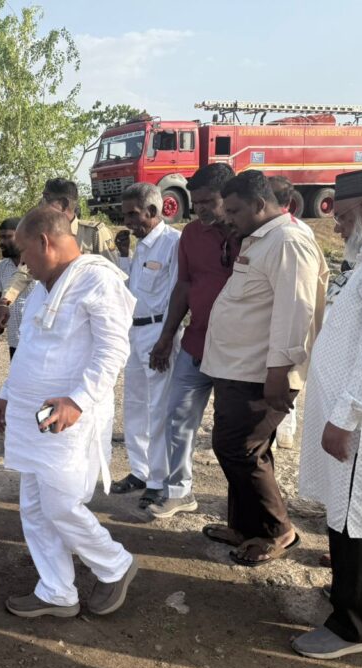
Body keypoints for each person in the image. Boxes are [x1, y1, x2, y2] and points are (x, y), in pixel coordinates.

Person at [0, 206, 139, 619]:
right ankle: (57, 590)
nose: (23, 261)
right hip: (33, 414)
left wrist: (77, 400)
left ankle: (115, 563)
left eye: (25, 251)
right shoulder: (44, 285)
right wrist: (7, 393)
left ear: (45, 242)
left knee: (61, 506)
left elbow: (114, 350)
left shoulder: (97, 278)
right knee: (34, 506)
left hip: (67, 417)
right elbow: (33, 348)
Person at [292, 167, 362, 660]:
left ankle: (349, 626)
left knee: (355, 517)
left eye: (342, 219)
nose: (335, 228)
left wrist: (346, 418)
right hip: (358, 417)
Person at [200, 170, 328, 567]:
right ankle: (244, 525)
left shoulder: (288, 242)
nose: (228, 216)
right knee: (246, 448)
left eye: (235, 210)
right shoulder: (263, 238)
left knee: (239, 449)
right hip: (240, 368)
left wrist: (280, 373)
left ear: (260, 204)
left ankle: (278, 531)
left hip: (261, 372)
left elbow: (296, 313)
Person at [142, 163, 237, 519]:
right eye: (195, 203)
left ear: (229, 198)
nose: (200, 210)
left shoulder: (248, 235)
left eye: (208, 202)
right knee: (177, 417)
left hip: (236, 351)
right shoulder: (191, 236)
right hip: (196, 343)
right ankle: (179, 491)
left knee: (231, 436)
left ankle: (240, 510)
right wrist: (167, 336)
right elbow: (183, 286)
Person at [110, 183, 182, 509]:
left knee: (158, 410)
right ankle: (139, 471)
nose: (127, 221)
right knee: (135, 406)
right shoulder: (141, 246)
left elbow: (178, 297)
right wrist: (123, 256)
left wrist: (166, 341)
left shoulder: (173, 244)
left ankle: (157, 481)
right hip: (135, 333)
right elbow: (134, 289)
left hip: (159, 335)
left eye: (132, 214)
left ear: (152, 212)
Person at [0, 178, 119, 332]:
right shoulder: (42, 233)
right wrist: (5, 301)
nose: (41, 203)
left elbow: (114, 276)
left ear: (64, 204)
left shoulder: (94, 233)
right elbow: (24, 271)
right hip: (53, 314)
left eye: (46, 198)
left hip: (88, 316)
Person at [267, 176, 315, 449]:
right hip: (282, 312)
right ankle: (281, 435)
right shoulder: (292, 229)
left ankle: (281, 435)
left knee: (286, 378)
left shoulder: (293, 233)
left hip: (288, 313)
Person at [0, 217, 29, 358]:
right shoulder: (1, 267)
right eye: (1, 237)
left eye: (8, 237)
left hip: (36, 341)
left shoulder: (36, 264)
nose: (2, 242)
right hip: (14, 340)